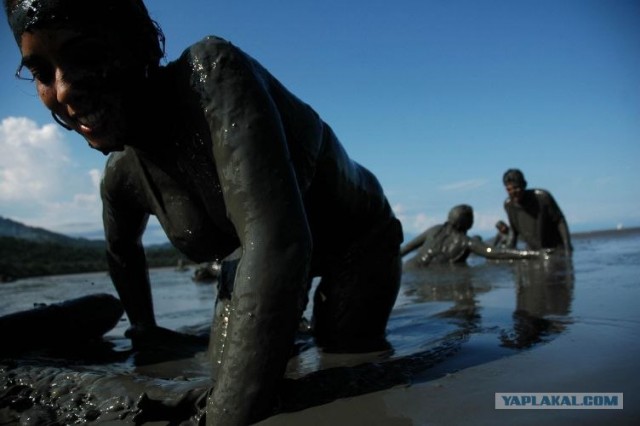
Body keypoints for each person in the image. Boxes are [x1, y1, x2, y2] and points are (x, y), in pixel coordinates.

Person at [3, 0, 403, 424]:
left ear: (139, 45)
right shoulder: (121, 178)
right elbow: (122, 252)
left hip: (356, 241)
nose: (62, 90)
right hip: (251, 260)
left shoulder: (210, 73)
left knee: (344, 353)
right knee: (226, 370)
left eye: (85, 55)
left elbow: (277, 241)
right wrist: (145, 331)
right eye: (43, 74)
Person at [401, 204, 547, 269]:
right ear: (468, 223)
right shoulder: (466, 242)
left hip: (409, 268)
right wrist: (533, 254)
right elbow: (495, 253)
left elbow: (407, 247)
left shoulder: (434, 230)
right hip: (434, 275)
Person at [502, 169, 573, 255]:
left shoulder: (542, 198)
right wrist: (507, 251)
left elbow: (559, 221)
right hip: (534, 252)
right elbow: (514, 230)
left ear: (524, 185)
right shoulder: (509, 205)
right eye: (509, 190)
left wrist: (567, 246)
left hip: (554, 249)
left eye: (516, 188)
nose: (513, 193)